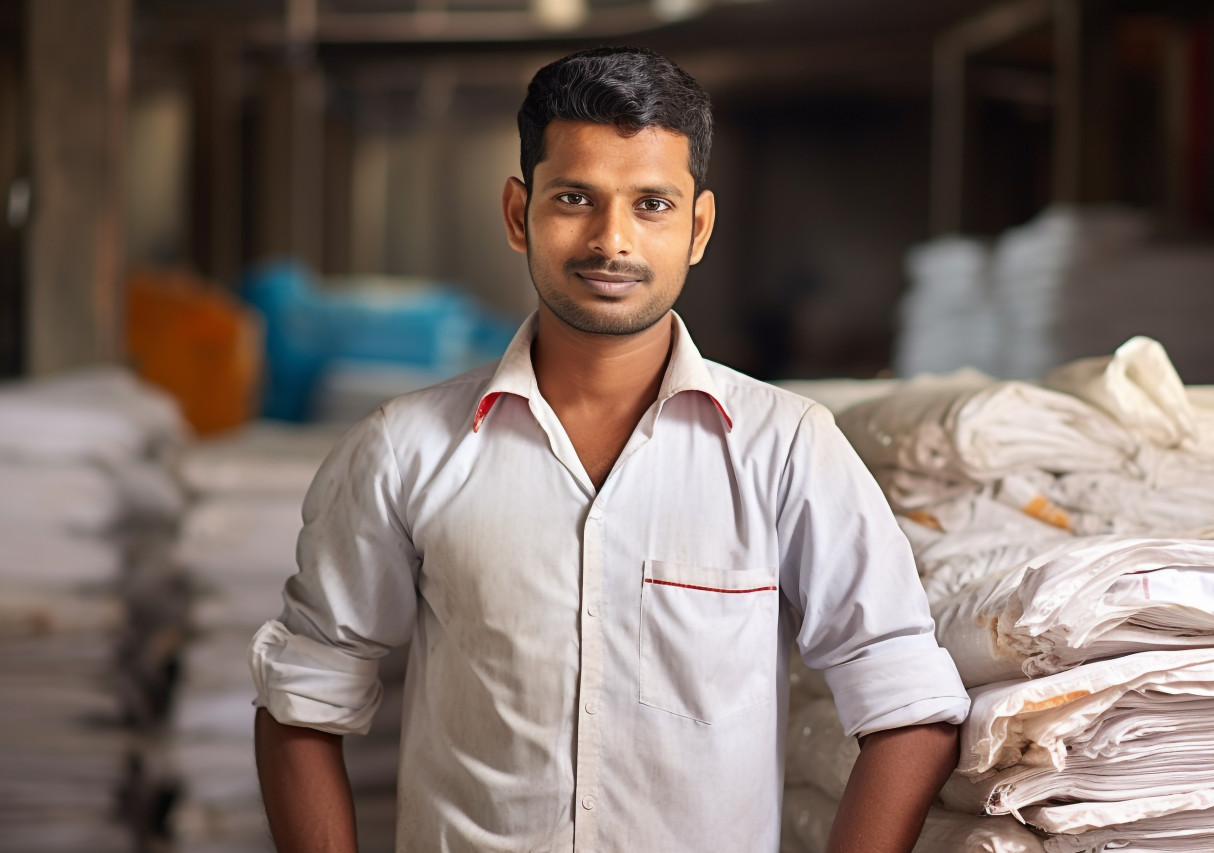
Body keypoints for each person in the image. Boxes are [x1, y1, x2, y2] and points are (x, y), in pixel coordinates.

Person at [251, 46, 969, 853]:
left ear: (698, 227)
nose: (611, 240)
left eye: (652, 204)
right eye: (575, 199)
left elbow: (909, 705)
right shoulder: (404, 448)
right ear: (518, 213)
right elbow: (302, 698)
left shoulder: (786, 448)